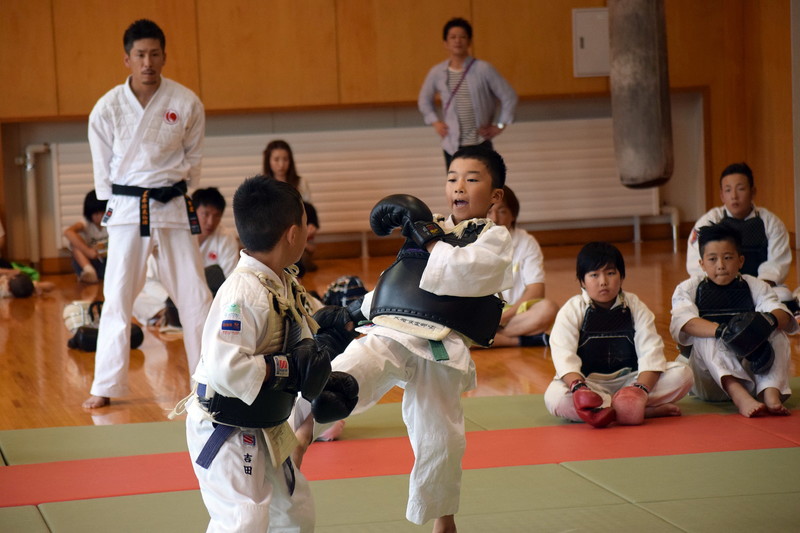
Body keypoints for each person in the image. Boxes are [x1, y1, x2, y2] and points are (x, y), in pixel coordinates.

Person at [313, 145, 513, 532]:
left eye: (472, 179)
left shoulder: (493, 239)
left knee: (440, 437)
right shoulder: (428, 225)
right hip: (396, 327)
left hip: (442, 345)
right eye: (452, 178)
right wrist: (353, 313)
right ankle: (331, 394)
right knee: (364, 358)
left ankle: (444, 522)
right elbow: (403, 283)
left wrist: (428, 237)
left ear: (495, 196)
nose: (459, 186)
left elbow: (462, 272)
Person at [181, 176, 358, 531]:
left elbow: (301, 349)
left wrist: (326, 352)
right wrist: (288, 370)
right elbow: (224, 367)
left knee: (293, 511)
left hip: (265, 420)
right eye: (307, 224)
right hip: (227, 426)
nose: (309, 232)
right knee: (244, 518)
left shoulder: (281, 281)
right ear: (293, 233)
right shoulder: (243, 293)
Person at [83, 19, 212, 409]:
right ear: (127, 59)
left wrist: (171, 188)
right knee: (118, 296)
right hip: (125, 210)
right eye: (140, 55)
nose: (148, 62)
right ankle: (105, 384)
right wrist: (116, 204)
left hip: (172, 206)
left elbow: (194, 161)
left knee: (195, 296)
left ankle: (208, 380)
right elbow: (101, 173)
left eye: (155, 54)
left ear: (164, 56)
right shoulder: (106, 109)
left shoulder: (186, 102)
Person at [544, 242, 692, 428]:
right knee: (555, 398)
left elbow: (651, 353)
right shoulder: (571, 310)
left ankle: (613, 409)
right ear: (582, 281)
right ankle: (638, 411)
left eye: (610, 273)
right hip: (589, 385)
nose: (603, 281)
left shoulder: (635, 306)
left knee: (683, 374)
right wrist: (579, 389)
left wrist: (639, 390)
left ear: (621, 276)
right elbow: (563, 355)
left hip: (631, 382)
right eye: (594, 275)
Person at [671, 223, 796, 417]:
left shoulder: (755, 286)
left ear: (740, 260)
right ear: (702, 264)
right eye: (712, 259)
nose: (720, 265)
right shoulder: (688, 288)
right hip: (708, 382)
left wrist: (768, 321)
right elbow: (685, 322)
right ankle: (739, 395)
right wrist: (723, 331)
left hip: (751, 373)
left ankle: (769, 392)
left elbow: (783, 316)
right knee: (705, 335)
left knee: (776, 331)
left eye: (728, 258)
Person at [686, 162, 795, 309]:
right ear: (722, 195)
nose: (734, 196)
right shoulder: (708, 221)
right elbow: (697, 263)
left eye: (741, 189)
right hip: (718, 285)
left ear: (753, 191)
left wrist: (754, 288)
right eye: (728, 190)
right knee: (689, 297)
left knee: (784, 296)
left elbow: (777, 263)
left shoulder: (771, 222)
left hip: (758, 287)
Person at [418, 17, 517, 169]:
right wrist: (435, 122)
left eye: (462, 36)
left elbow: (509, 96)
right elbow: (424, 100)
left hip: (481, 142)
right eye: (453, 37)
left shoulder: (484, 69)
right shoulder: (437, 72)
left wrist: (500, 124)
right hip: (452, 145)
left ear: (469, 41)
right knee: (457, 190)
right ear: (445, 43)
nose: (458, 41)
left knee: (484, 188)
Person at [132, 187, 239, 327]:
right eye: (205, 214)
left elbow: (230, 280)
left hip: (207, 297)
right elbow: (150, 280)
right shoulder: (173, 233)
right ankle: (167, 312)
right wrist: (169, 301)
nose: (210, 222)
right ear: (193, 212)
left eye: (216, 215)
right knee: (135, 298)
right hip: (171, 296)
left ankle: (170, 317)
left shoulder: (225, 238)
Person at [488, 185, 559, 347]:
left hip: (515, 315)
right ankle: (518, 340)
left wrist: (502, 319)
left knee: (548, 309)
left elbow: (536, 290)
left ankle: (488, 339)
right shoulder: (470, 240)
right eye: (489, 211)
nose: (494, 219)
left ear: (513, 215)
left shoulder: (526, 242)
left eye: (502, 211)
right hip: (481, 316)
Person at [263, 140, 319, 274]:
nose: (281, 164)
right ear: (268, 161)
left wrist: (311, 226)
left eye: (285, 159)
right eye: (276, 159)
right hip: (274, 238)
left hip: (296, 235)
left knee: (300, 262)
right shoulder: (263, 185)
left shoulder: (300, 183)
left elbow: (308, 210)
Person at [63, 190, 109, 283]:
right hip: (91, 262)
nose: (100, 217)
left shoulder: (111, 222)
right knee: (74, 244)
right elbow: (68, 232)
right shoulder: (86, 223)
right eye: (96, 214)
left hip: (108, 261)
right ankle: (89, 271)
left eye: (102, 212)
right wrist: (88, 251)